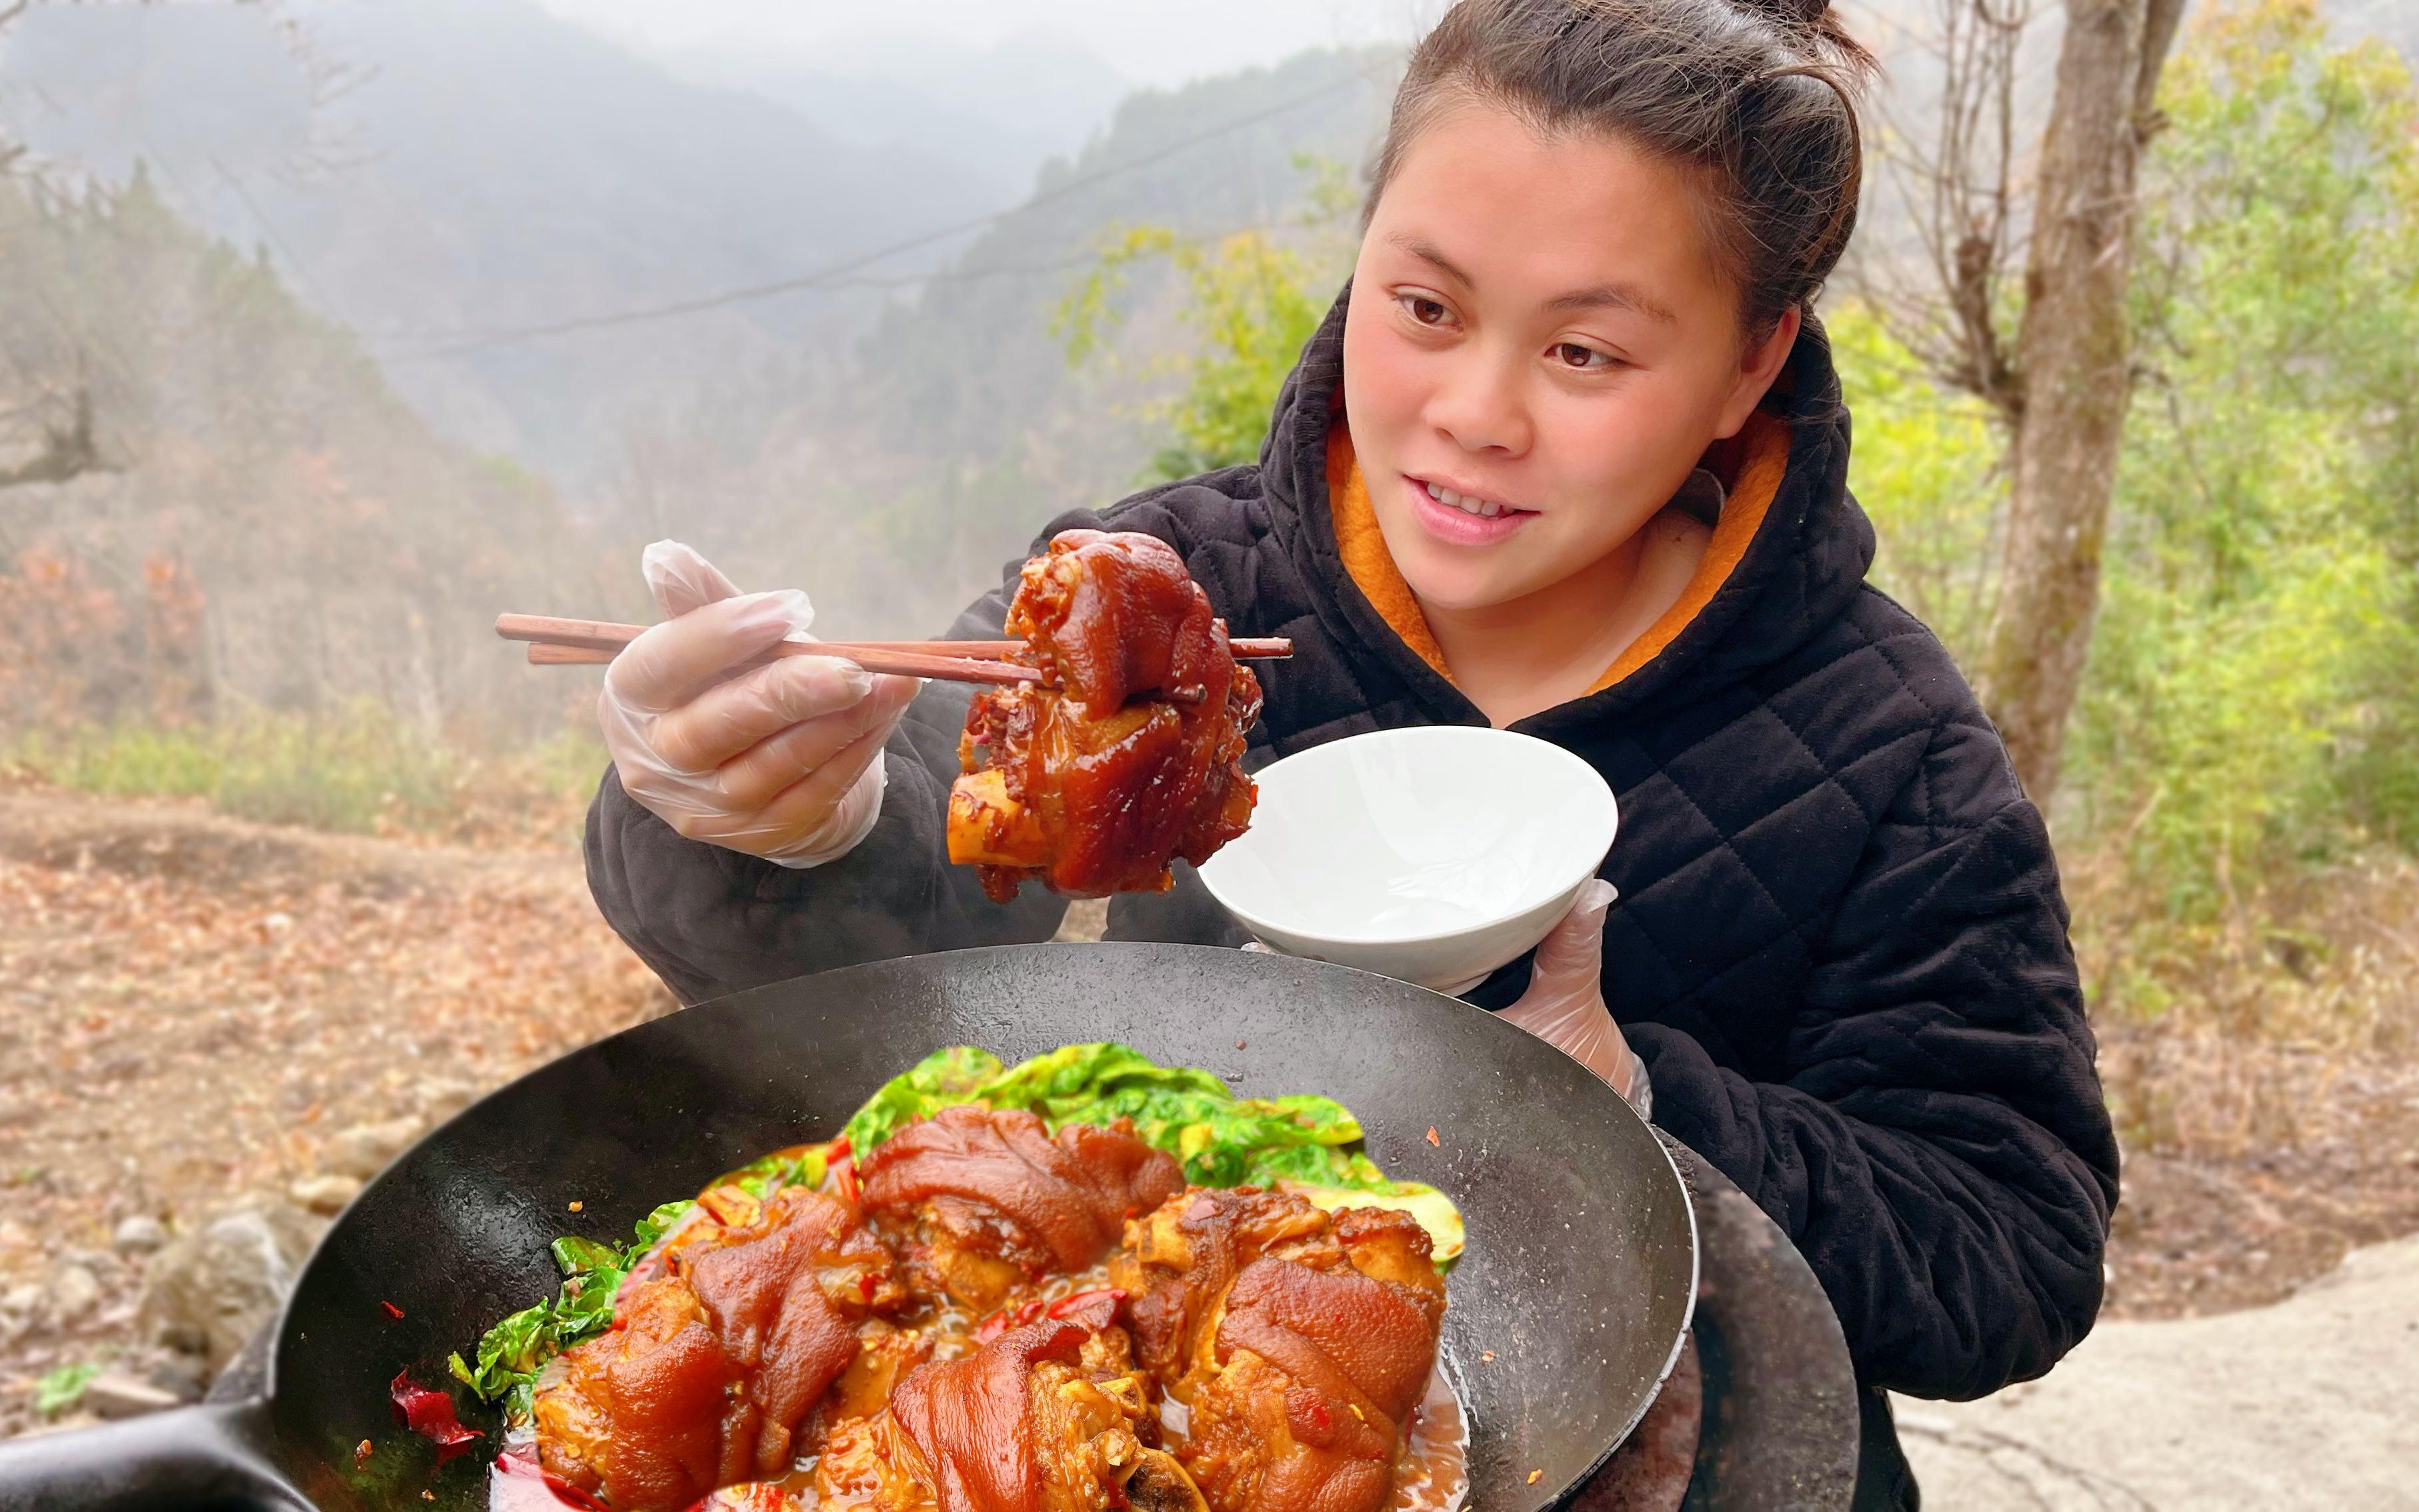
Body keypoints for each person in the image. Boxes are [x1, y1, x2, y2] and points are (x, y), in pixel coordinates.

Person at [581, 1, 2118, 1505]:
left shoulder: (1885, 741)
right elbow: (903, 887)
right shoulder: (1167, 589)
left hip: (1690, 1454)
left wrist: (1642, 1104)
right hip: (1175, 1430)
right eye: (1425, 308)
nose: (1471, 414)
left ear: (1746, 365)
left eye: (1584, 353)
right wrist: (786, 820)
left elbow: (2010, 1249)